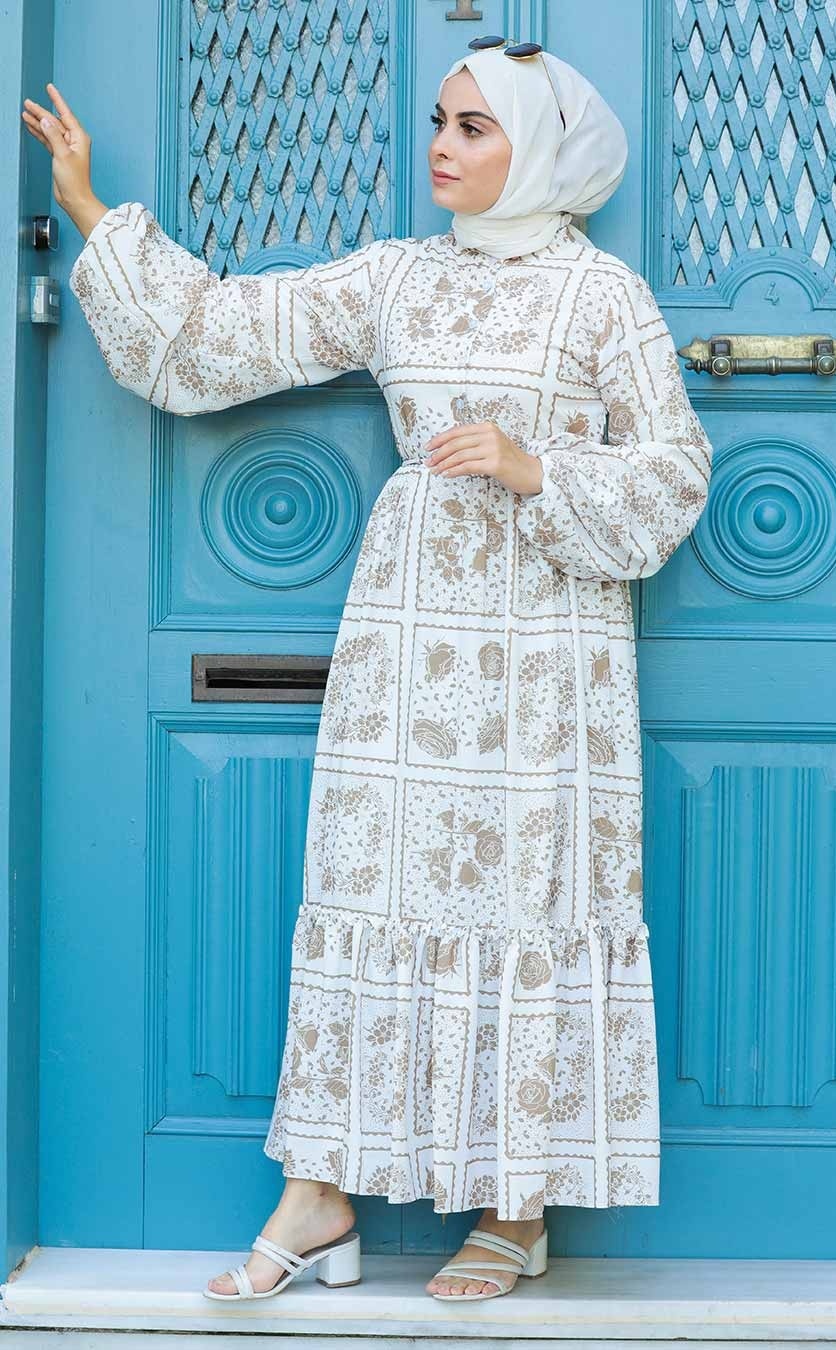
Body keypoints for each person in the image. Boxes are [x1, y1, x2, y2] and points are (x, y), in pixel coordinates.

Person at [22, 37, 713, 1303]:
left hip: (549, 651)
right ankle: (320, 1193)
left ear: (538, 151)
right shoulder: (400, 278)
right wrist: (88, 208)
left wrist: (535, 466)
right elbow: (217, 337)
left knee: (529, 889)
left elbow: (676, 473)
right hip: (408, 640)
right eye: (439, 120)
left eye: (473, 128)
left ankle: (516, 1209)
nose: (440, 147)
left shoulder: (603, 297)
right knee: (371, 877)